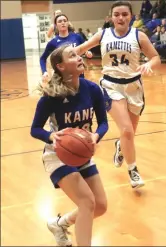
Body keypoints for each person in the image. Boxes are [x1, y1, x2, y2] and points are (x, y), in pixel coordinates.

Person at [75, 0, 161, 189]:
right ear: (111, 17)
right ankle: (133, 170)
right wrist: (65, 55)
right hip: (111, 85)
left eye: (124, 14)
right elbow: (80, 49)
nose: (121, 17)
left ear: (131, 16)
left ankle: (120, 146)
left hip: (134, 87)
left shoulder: (139, 36)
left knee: (130, 133)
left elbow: (156, 57)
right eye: (117, 14)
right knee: (127, 130)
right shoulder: (103, 34)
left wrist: (149, 64)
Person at [31, 44, 108, 246]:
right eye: (72, 55)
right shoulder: (50, 97)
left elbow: (103, 123)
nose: (79, 57)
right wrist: (51, 137)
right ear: (61, 66)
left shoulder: (92, 89)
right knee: (87, 202)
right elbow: (35, 129)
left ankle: (60, 224)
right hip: (57, 155)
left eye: (78, 54)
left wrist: (96, 136)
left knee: (100, 206)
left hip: (81, 153)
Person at [40, 14, 91, 83]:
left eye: (64, 21)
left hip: (79, 74)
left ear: (68, 23)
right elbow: (42, 58)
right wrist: (44, 72)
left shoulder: (77, 37)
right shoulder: (53, 42)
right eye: (60, 21)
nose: (63, 23)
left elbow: (86, 48)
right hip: (63, 77)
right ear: (56, 25)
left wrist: (88, 52)